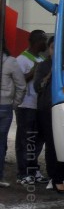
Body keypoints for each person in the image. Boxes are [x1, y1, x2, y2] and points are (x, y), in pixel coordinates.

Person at [34, 36, 64, 194]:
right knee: (52, 145)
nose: (55, 51)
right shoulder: (43, 65)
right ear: (49, 49)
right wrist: (50, 73)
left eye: (59, 48)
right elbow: (37, 87)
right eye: (53, 48)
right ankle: (55, 178)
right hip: (47, 109)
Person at [14, 30, 48, 186]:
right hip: (25, 105)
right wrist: (33, 72)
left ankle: (33, 169)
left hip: (38, 105)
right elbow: (18, 82)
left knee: (37, 139)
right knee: (24, 140)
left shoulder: (41, 58)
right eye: (44, 40)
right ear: (36, 41)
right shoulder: (21, 59)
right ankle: (23, 173)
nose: (46, 44)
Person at [1, 41, 27, 187]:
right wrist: (14, 104)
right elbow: (21, 86)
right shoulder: (11, 62)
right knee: (1, 142)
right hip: (5, 106)